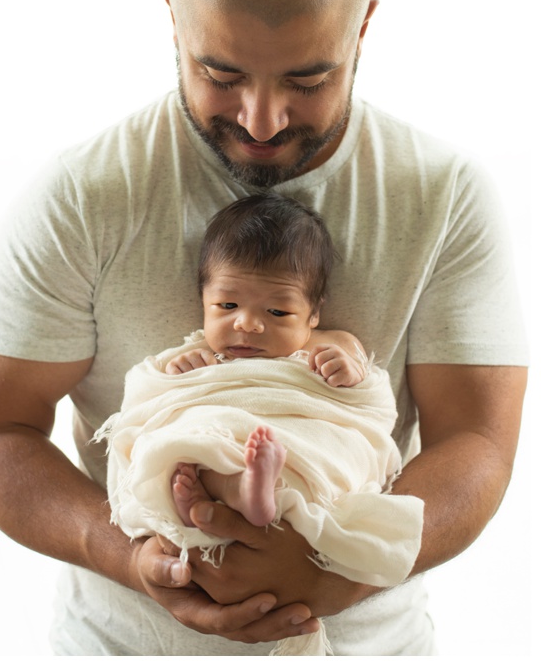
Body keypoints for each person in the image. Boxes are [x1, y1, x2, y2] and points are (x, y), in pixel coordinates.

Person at [0, 0, 527, 656]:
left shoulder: (446, 197)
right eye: (220, 75)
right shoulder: (83, 195)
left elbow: (478, 444)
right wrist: (125, 553)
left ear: (362, 26)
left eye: (308, 79)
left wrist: (345, 569)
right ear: (171, 14)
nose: (262, 119)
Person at [98, 193, 423, 655]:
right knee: (197, 448)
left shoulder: (329, 341)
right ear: (203, 302)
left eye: (277, 312)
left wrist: (346, 371)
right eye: (227, 305)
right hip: (233, 450)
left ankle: (259, 487)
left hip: (302, 445)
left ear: (313, 313)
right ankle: (248, 490)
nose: (247, 324)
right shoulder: (205, 353)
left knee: (246, 458)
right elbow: (157, 397)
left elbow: (368, 399)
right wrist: (181, 370)